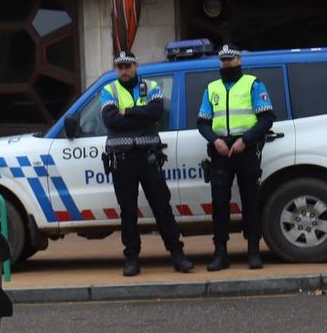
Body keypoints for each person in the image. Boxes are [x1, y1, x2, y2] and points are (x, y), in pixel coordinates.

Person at [100, 49, 195, 277]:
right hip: (122, 161)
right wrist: (137, 115)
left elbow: (155, 113)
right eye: (120, 67)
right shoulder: (108, 89)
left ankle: (177, 254)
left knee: (162, 208)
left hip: (149, 158)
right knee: (128, 212)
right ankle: (132, 259)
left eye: (128, 66)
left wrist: (126, 112)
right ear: (116, 69)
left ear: (136, 66)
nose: (124, 71)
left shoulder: (151, 86)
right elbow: (110, 119)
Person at [198, 45, 275, 271]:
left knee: (250, 203)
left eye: (230, 59)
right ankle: (220, 253)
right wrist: (215, 140)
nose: (226, 64)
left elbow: (266, 118)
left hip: (246, 150)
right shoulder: (211, 88)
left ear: (239, 60)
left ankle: (253, 252)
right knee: (219, 205)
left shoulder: (253, 84)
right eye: (223, 60)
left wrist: (245, 140)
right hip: (220, 152)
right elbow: (202, 122)